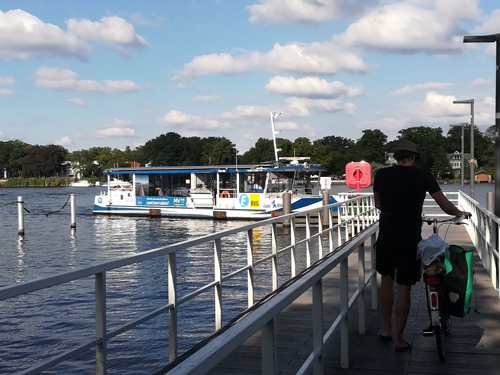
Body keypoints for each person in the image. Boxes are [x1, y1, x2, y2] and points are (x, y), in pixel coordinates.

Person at [373, 140, 471, 352]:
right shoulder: (423, 175)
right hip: (409, 238)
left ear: (397, 156)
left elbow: (378, 204)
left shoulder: (382, 174)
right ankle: (399, 340)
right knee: (404, 287)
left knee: (387, 281)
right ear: (414, 156)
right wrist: (459, 214)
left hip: (387, 236)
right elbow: (445, 205)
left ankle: (386, 330)